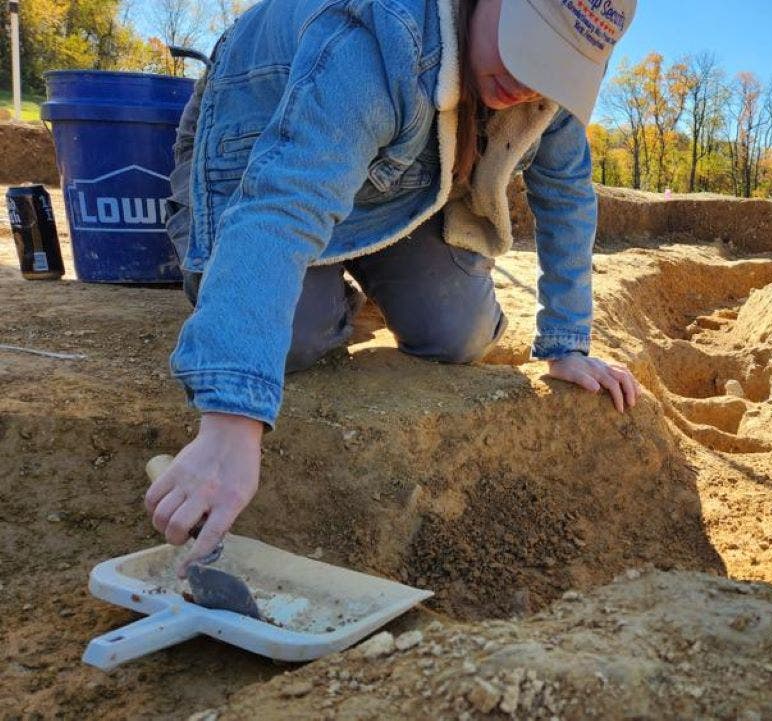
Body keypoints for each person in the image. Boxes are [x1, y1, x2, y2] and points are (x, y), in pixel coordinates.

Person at [145, 0, 640, 573]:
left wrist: (566, 341)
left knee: (461, 333)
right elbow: (283, 203)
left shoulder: (542, 88)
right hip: (254, 135)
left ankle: (345, 282)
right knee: (293, 341)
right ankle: (321, 295)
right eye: (530, 47)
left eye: (554, 65)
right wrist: (230, 419)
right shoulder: (378, 35)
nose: (529, 83)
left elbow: (568, 194)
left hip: (391, 177)